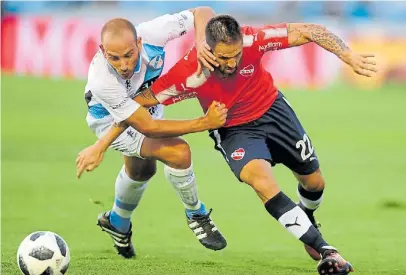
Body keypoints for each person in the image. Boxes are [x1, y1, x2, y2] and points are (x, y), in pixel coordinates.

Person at [78, 15, 377, 274]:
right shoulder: (188, 74)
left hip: (274, 111)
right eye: (223, 58)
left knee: (314, 183)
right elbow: (135, 110)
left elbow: (311, 30)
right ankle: (326, 251)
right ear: (206, 49)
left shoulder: (253, 40)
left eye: (235, 55)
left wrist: (347, 55)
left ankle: (307, 216)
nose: (231, 63)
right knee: (260, 181)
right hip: (233, 130)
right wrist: (102, 144)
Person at [77, 8, 229, 259]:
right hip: (110, 120)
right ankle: (196, 213)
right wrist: (204, 122)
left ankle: (117, 222)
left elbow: (203, 12)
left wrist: (202, 42)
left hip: (146, 107)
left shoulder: (153, 33)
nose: (124, 65)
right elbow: (147, 127)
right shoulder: (101, 80)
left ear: (139, 42)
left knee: (142, 170)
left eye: (129, 55)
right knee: (179, 152)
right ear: (103, 53)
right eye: (114, 58)